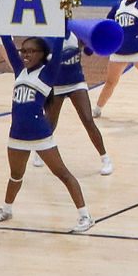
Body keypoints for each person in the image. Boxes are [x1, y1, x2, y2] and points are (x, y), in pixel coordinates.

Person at [0, 36, 93, 233]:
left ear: (42, 54)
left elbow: (59, 48)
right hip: (16, 134)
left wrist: (61, 22)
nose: (25, 54)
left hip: (40, 134)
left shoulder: (48, 74)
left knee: (63, 173)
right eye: (23, 51)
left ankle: (85, 216)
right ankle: (7, 210)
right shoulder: (20, 71)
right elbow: (8, 44)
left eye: (30, 51)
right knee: (16, 176)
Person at [42, 21, 113, 176]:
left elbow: (90, 51)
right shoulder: (47, 39)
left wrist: (89, 41)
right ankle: (40, 151)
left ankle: (105, 158)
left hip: (76, 82)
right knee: (50, 123)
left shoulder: (76, 34)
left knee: (88, 120)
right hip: (56, 85)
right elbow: (51, 61)